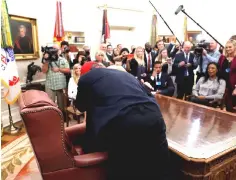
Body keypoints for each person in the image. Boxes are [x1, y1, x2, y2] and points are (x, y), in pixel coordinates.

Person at [75, 62, 171, 180]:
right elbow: (149, 95)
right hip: (153, 116)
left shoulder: (86, 78)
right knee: (159, 167)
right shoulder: (127, 75)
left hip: (124, 122)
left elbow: (81, 106)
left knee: (126, 171)